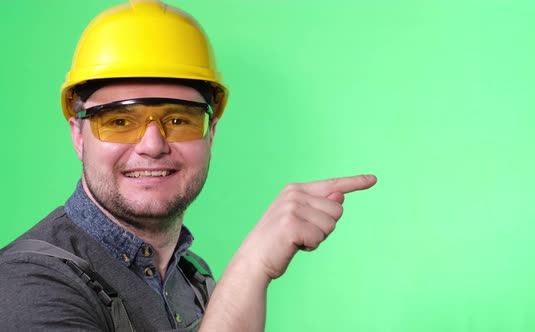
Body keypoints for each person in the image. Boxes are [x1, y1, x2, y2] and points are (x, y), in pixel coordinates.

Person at [0, 1, 377, 331]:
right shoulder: (28, 283)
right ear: (79, 137)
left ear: (211, 133)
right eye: (119, 121)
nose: (152, 145)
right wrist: (250, 268)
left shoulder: (191, 276)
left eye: (179, 120)